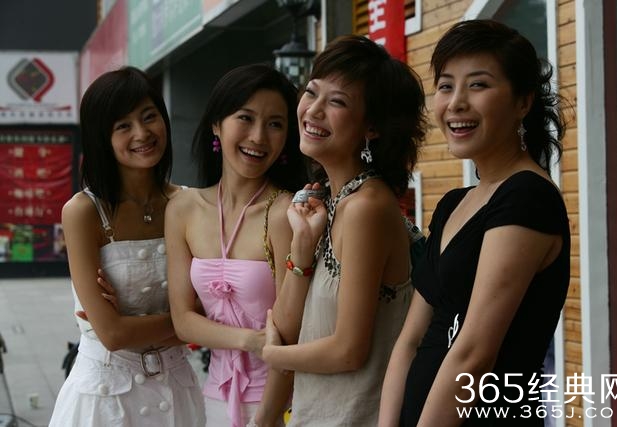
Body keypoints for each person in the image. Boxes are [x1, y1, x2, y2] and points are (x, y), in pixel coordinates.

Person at [378, 19, 570, 427]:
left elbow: (474, 353)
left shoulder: (527, 198)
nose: (456, 102)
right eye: (446, 86)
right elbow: (411, 340)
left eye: (478, 85)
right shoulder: (454, 204)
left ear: (523, 102)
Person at [260, 34, 428, 426]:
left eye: (336, 102)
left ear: (372, 126)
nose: (313, 110)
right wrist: (303, 244)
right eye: (311, 92)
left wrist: (271, 355)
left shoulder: (367, 208)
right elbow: (286, 326)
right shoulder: (333, 201)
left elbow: (349, 350)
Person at [49, 67, 205, 426]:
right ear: (101, 138)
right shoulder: (83, 211)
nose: (142, 133)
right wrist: (189, 320)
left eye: (149, 117)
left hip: (177, 390)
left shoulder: (191, 203)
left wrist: (141, 323)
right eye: (123, 125)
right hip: (105, 399)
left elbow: (216, 310)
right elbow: (113, 334)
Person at [165, 64, 308, 427]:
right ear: (217, 124)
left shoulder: (285, 212)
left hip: (279, 406)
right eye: (245, 118)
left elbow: (290, 336)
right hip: (213, 399)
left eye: (275, 124)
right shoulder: (183, 208)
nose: (258, 136)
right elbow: (183, 321)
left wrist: (265, 419)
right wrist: (249, 340)